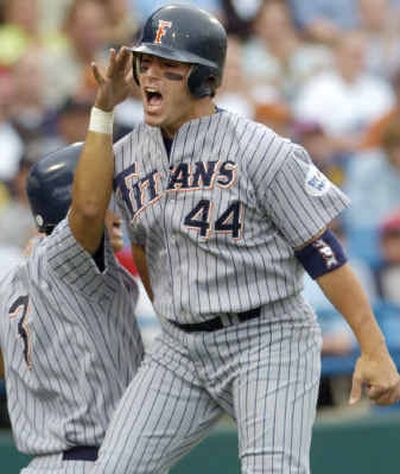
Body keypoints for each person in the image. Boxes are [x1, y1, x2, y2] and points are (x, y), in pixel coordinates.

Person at [82, 4, 400, 473]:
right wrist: (174, 316)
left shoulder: (261, 150)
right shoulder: (128, 155)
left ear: (203, 79)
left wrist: (373, 349)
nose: (150, 76)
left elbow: (323, 254)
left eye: (169, 67)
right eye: (145, 62)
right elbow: (143, 244)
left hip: (266, 337)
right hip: (180, 350)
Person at [0, 142, 144, 473]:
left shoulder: (17, 275)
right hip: (92, 460)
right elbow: (86, 218)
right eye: (109, 201)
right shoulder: (68, 258)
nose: (116, 214)